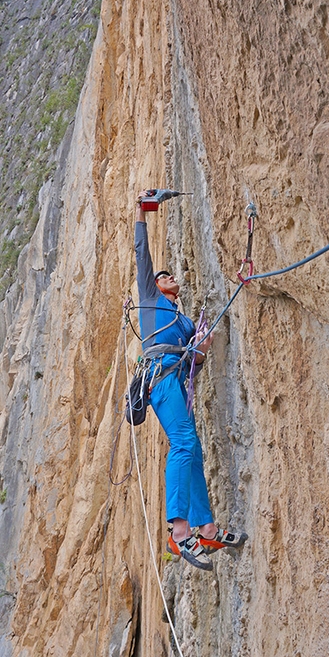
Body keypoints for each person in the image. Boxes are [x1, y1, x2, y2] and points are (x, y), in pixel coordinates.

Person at [135, 190, 248, 571]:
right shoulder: (151, 299)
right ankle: (179, 531)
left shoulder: (183, 322)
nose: (170, 277)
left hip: (175, 381)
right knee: (183, 443)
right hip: (159, 378)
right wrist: (142, 212)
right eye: (164, 275)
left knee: (193, 450)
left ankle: (209, 528)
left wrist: (200, 347)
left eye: (170, 276)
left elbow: (193, 365)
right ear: (156, 283)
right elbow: (142, 256)